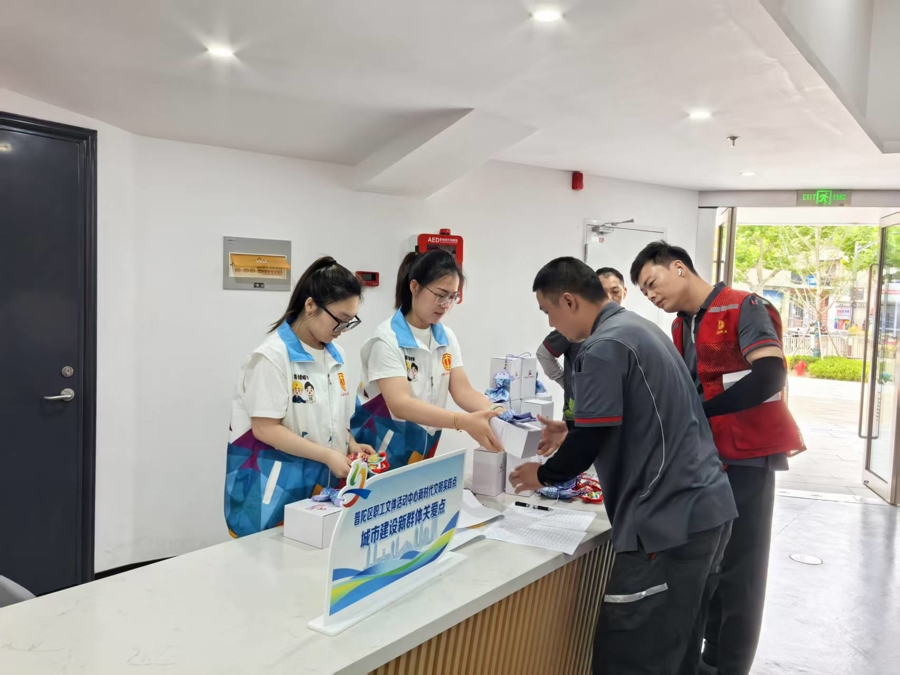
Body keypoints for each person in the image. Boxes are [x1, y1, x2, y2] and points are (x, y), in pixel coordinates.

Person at [511, 257, 736, 675]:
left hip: (666, 521)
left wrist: (541, 475)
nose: (552, 323)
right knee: (678, 648)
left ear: (569, 301)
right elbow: (633, 413)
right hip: (706, 510)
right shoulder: (637, 328)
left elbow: (591, 441)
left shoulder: (602, 347)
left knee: (631, 654)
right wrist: (570, 429)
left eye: (548, 312)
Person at [630, 241, 805, 675]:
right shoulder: (681, 326)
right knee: (708, 565)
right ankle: (706, 659)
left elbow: (770, 375)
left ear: (679, 267)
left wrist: (699, 412)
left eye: (651, 283)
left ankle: (730, 665)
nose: (651, 295)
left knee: (741, 571)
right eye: (644, 292)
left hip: (748, 456)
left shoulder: (743, 306)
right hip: (706, 459)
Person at [224, 257, 374, 538]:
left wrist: (351, 444)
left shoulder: (335, 355)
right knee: (270, 556)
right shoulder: (272, 357)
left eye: (349, 322)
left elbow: (333, 416)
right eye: (340, 320)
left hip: (319, 488)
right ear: (310, 305)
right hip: (273, 488)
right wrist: (328, 455)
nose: (342, 330)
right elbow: (265, 429)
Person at [351, 249, 503, 467]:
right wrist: (461, 421)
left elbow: (463, 391)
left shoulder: (446, 338)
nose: (446, 304)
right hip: (377, 450)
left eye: (452, 297)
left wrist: (495, 411)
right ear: (414, 287)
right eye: (440, 294)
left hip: (422, 447)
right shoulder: (386, 340)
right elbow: (401, 404)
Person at [537, 267, 627, 427]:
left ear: (624, 292)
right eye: (602, 292)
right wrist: (566, 382)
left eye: (615, 291)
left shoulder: (626, 326)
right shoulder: (578, 324)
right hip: (577, 412)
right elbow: (544, 354)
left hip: (612, 413)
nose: (609, 298)